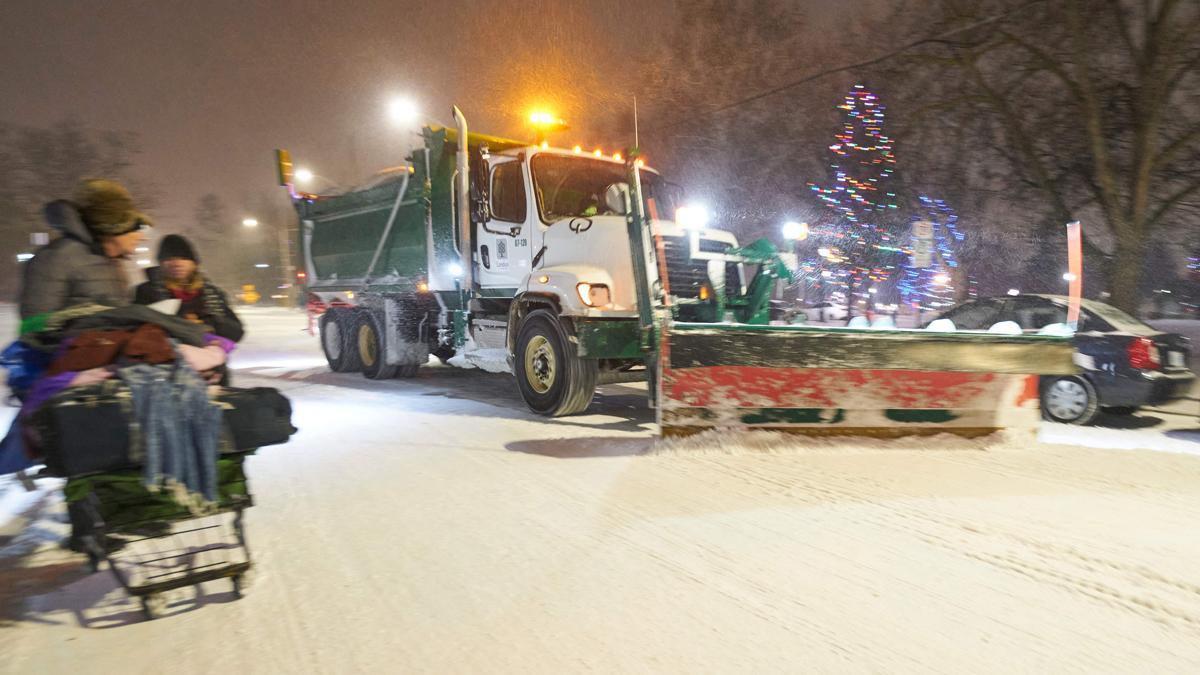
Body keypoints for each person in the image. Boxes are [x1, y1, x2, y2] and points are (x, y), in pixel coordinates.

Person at [19, 179, 150, 320]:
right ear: (112, 226)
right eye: (135, 229)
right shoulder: (56, 257)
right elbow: (33, 325)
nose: (141, 237)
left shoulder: (113, 263)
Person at [134, 234, 244, 343]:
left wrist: (209, 324)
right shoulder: (147, 292)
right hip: (165, 357)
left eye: (183, 258)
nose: (176, 263)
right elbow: (136, 328)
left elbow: (236, 332)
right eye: (169, 258)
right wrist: (181, 324)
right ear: (161, 263)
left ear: (194, 264)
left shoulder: (213, 294)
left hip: (208, 357)